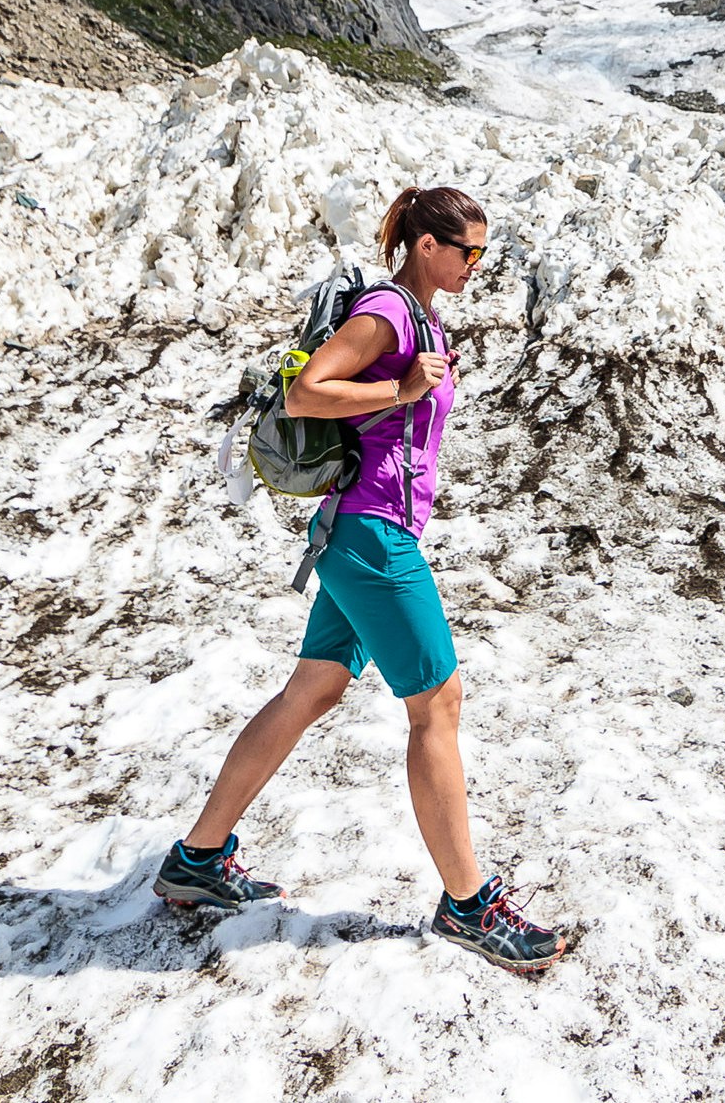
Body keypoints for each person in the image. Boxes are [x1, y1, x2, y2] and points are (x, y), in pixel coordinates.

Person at [155, 185, 566, 974]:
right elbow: (310, 390)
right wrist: (403, 388)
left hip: (360, 529)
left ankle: (196, 861)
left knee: (310, 690)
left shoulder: (418, 312)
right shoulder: (387, 312)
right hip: (373, 536)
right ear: (426, 246)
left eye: (483, 252)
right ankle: (468, 907)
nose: (477, 264)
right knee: (437, 704)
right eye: (467, 251)